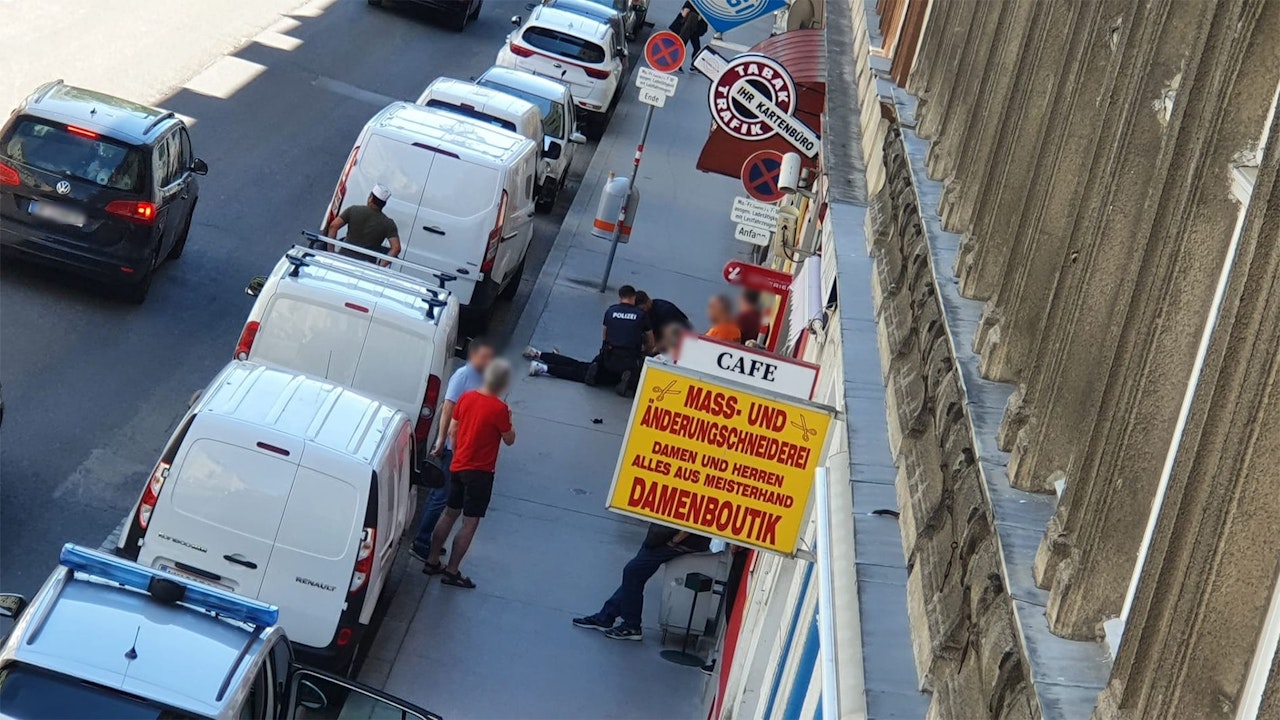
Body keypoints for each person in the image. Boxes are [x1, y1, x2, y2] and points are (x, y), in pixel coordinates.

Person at [423, 359, 516, 589]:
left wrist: (457, 452)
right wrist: (510, 421)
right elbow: (509, 439)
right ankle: (452, 570)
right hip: (481, 473)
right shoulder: (499, 408)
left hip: (458, 465)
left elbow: (454, 428)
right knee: (470, 522)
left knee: (449, 513)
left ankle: (432, 560)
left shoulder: (466, 398)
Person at [409, 338, 496, 566]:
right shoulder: (463, 376)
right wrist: (441, 439)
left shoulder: (481, 376)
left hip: (464, 447)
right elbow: (448, 407)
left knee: (443, 498)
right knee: (441, 498)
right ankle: (422, 542)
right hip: (453, 447)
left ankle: (427, 541)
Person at [572, 524, 710, 640]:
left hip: (679, 540)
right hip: (666, 535)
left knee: (633, 571)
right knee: (635, 573)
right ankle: (607, 616)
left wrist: (675, 540)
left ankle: (631, 625)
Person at [525, 285, 652, 395]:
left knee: (580, 365)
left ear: (620, 297)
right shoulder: (641, 316)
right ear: (634, 298)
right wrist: (644, 351)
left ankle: (538, 354)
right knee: (582, 374)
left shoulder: (611, 311)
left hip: (609, 357)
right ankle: (543, 368)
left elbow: (605, 336)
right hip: (628, 361)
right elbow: (650, 342)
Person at [324, 183, 401, 266]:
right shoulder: (388, 223)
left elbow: (333, 226)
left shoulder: (353, 210)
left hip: (343, 258)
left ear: (371, 198)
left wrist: (331, 253)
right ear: (384, 204)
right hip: (366, 265)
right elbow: (396, 248)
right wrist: (380, 266)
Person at [670, 1, 708, 68]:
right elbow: (685, 13)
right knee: (695, 47)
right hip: (688, 28)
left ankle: (678, 64)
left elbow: (684, 13)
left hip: (689, 28)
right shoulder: (695, 3)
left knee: (683, 46)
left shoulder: (693, 2)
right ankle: (692, 66)